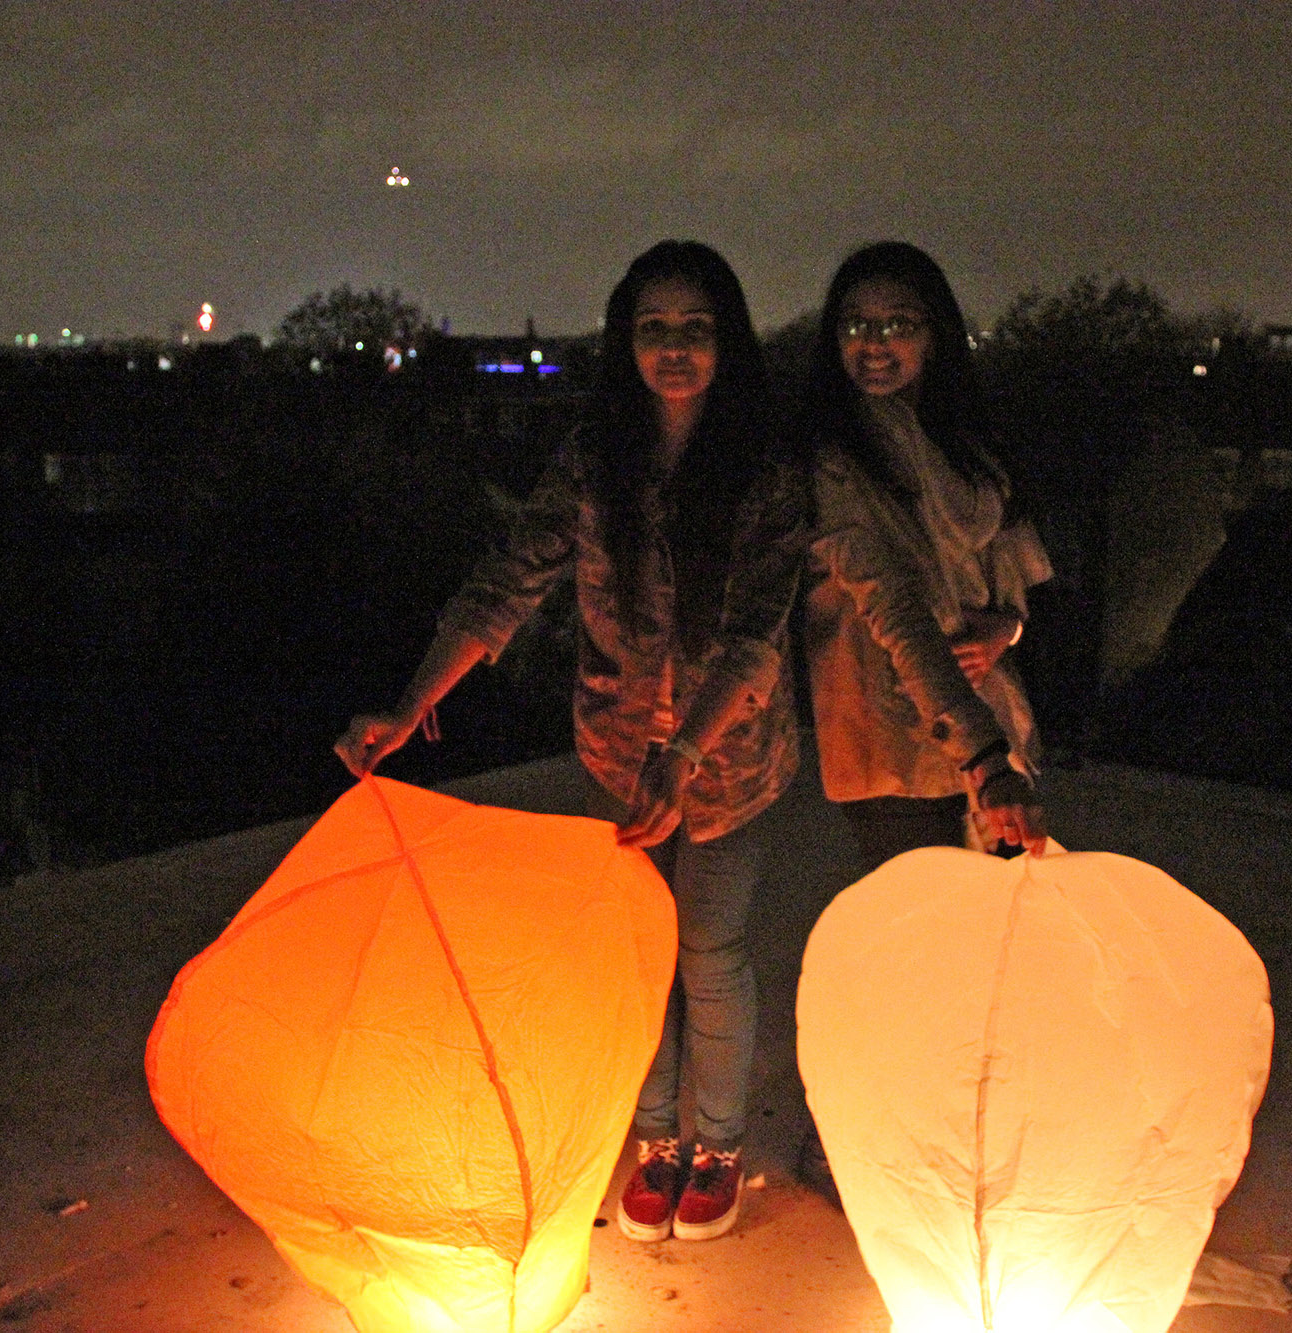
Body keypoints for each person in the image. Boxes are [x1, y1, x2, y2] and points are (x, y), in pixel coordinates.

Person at [335, 240, 807, 1245]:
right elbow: (509, 581)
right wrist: (410, 700)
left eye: (694, 328)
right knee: (634, 945)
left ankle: (715, 1143)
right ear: (622, 342)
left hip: (727, 760)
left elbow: (755, 634)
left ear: (726, 340)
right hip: (616, 747)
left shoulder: (768, 469)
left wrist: (684, 756)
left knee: (711, 948)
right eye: (652, 329)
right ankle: (652, 1140)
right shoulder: (596, 459)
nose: (673, 349)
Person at [803, 240, 1051, 869]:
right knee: (925, 938)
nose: (875, 343)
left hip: (989, 714)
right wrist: (984, 758)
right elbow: (892, 606)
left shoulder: (967, 444)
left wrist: (1007, 630)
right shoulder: (833, 458)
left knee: (997, 933)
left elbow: (1015, 577)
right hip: (890, 736)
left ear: (936, 334)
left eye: (899, 324)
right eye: (856, 324)